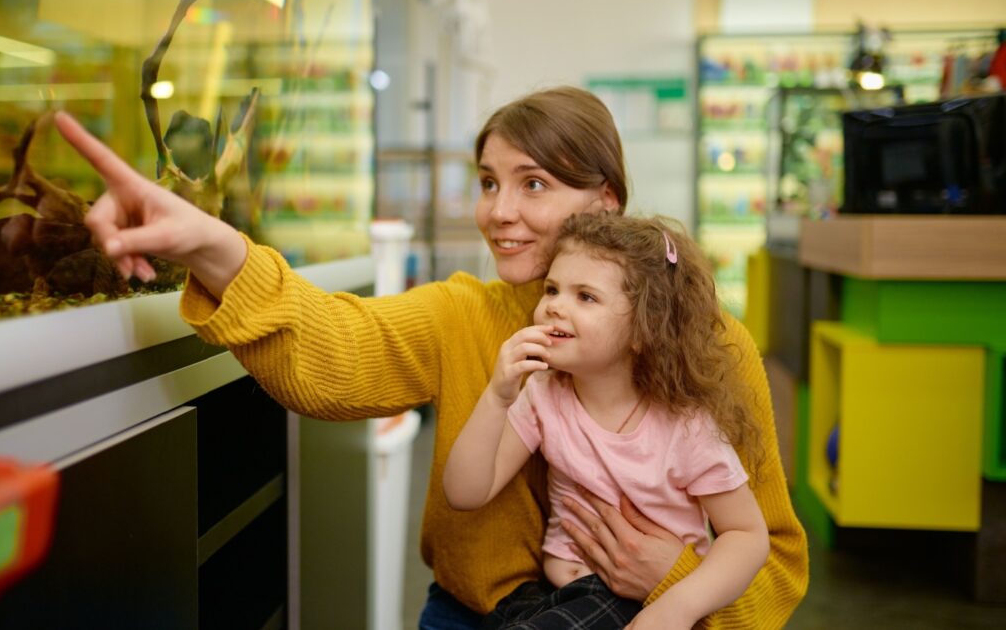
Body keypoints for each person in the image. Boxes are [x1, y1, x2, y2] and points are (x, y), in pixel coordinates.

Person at [54, 86, 808, 628]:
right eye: (487, 182)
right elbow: (331, 348)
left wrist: (671, 583)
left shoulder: (705, 344)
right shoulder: (463, 312)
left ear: (605, 202)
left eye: (533, 183)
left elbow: (771, 562)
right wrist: (215, 246)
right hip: (466, 612)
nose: (498, 212)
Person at [444, 212, 769, 630]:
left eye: (586, 297)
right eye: (552, 289)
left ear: (643, 331)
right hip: (553, 594)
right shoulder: (544, 393)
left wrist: (677, 608)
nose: (554, 307)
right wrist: (497, 396)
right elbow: (465, 491)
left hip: (634, 606)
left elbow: (748, 537)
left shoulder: (685, 426)